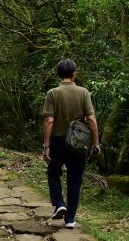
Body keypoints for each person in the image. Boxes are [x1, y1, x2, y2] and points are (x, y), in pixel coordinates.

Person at [42, 59, 101, 229]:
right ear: (74, 74)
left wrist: (47, 145)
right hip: (78, 144)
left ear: (58, 74)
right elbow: (91, 119)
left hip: (59, 141)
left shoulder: (52, 93)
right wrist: (96, 142)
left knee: (53, 172)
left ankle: (59, 203)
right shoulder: (83, 92)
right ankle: (70, 219)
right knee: (75, 179)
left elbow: (49, 120)